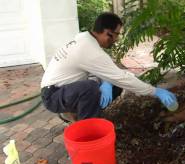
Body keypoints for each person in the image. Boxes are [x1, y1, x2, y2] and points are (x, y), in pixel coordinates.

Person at [40, 12, 177, 122]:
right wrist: (155, 91)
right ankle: (87, 129)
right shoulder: (89, 50)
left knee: (113, 84)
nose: (117, 39)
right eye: (117, 34)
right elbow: (122, 78)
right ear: (107, 32)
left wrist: (108, 81)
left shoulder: (84, 39)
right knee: (91, 88)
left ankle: (80, 112)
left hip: (64, 89)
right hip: (52, 96)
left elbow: (112, 72)